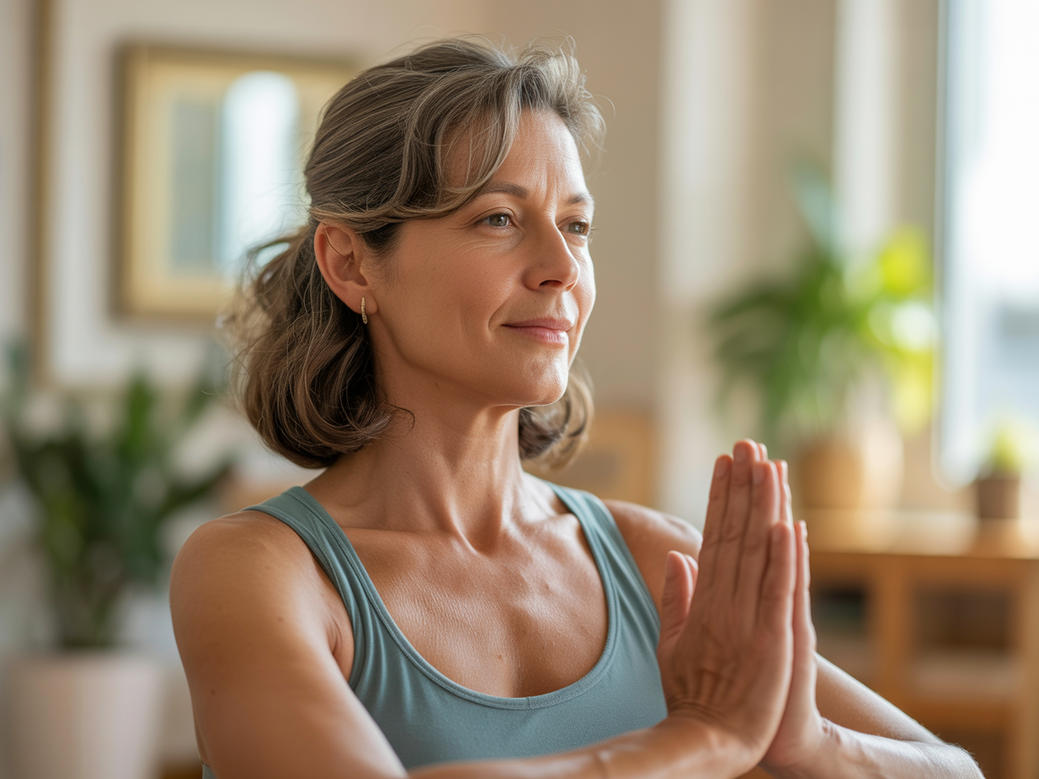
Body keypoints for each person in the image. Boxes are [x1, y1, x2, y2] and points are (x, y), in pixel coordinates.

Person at [170, 37, 981, 779]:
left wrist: (798, 738)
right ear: (351, 264)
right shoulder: (258, 572)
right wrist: (700, 737)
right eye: (497, 218)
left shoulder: (656, 559)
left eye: (576, 224)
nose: (561, 266)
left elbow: (954, 770)